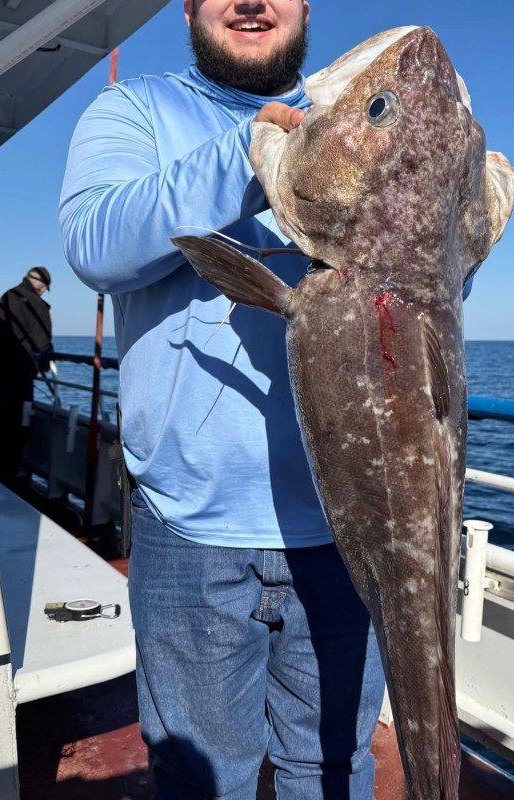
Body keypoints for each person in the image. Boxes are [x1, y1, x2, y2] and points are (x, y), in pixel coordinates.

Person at [58, 2, 385, 799]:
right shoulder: (134, 109)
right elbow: (95, 244)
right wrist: (256, 157)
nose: (248, 2)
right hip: (188, 530)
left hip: (350, 533)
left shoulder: (360, 122)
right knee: (203, 781)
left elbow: (421, 287)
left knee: (335, 770)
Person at [0, 266, 52, 486]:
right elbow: (42, 345)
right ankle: (6, 480)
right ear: (42, 288)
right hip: (17, 379)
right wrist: (45, 366)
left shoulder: (7, 296)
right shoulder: (39, 306)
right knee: (12, 429)